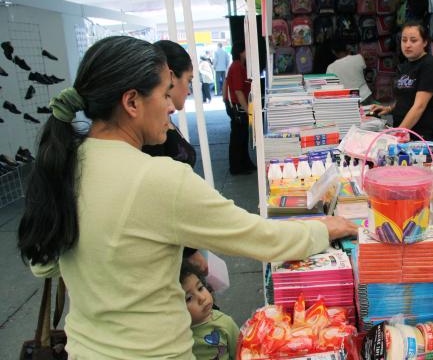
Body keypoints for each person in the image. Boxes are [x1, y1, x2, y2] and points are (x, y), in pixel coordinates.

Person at [17, 36, 357, 359]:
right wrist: (326, 227)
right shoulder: (157, 179)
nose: (171, 107)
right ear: (132, 102)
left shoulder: (61, 165)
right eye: (165, 95)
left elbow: (43, 266)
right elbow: (261, 238)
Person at [142, 40, 206, 273]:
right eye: (187, 81)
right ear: (170, 76)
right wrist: (189, 251)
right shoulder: (152, 136)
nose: (188, 90)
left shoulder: (161, 125)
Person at [369, 21, 433, 142]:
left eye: (413, 40)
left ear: (425, 42)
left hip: (419, 137)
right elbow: (404, 97)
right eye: (404, 40)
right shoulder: (405, 66)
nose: (407, 45)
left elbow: (419, 106)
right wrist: (388, 109)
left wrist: (398, 134)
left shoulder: (430, 65)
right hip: (403, 134)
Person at [180, 261, 239, 360]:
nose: (202, 298)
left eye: (200, 288)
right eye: (189, 298)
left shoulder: (225, 323)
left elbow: (240, 352)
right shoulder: (177, 333)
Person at [224, 41, 256, 175]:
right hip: (238, 107)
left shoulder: (240, 66)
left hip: (239, 106)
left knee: (242, 136)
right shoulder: (237, 67)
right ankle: (237, 167)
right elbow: (238, 91)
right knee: (238, 137)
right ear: (240, 52)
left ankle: (244, 163)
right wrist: (248, 110)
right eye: (246, 50)